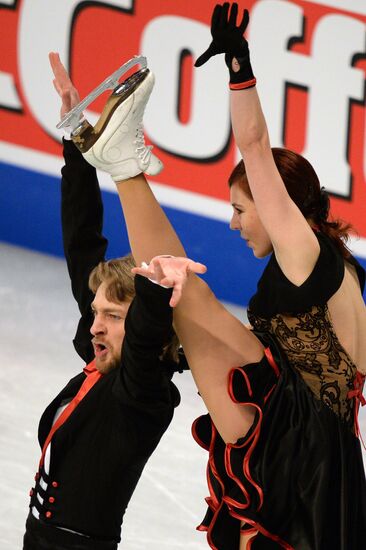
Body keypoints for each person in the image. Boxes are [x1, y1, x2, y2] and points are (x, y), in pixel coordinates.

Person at [64, 3, 366, 548]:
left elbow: (254, 148)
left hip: (302, 436)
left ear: (280, 207)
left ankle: (124, 167)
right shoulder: (327, 264)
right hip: (317, 450)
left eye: (241, 209)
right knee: (179, 292)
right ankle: (121, 166)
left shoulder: (305, 251)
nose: (233, 223)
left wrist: (239, 70)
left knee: (184, 295)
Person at [23, 53, 183, 550]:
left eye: (113, 317)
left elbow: (146, 334)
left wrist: (154, 291)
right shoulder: (100, 362)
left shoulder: (142, 394)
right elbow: (82, 243)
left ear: (143, 326)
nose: (95, 326)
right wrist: (76, 139)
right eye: (96, 313)